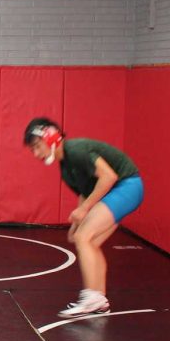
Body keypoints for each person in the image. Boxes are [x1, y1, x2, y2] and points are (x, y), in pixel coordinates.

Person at [23, 118, 143, 317]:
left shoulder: (76, 150)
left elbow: (108, 177)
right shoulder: (66, 168)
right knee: (91, 241)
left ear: (51, 137)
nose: (36, 154)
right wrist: (76, 225)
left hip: (127, 186)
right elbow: (85, 194)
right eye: (32, 150)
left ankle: (90, 297)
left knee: (83, 238)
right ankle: (99, 300)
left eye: (37, 146)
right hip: (118, 191)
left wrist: (84, 212)